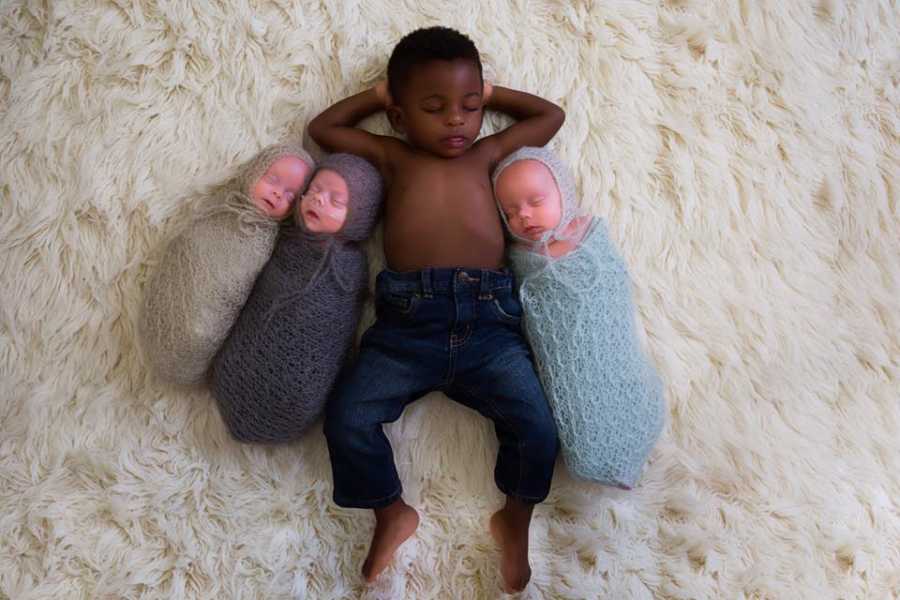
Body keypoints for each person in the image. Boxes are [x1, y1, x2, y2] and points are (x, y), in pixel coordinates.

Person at [308, 26, 565, 592]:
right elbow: (322, 130)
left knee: (539, 429)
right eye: (434, 107)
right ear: (400, 117)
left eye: (469, 107)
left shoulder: (487, 151)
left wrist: (492, 94)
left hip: (489, 324)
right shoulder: (392, 154)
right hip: (406, 326)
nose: (456, 120)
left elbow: (550, 116)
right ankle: (390, 510)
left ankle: (515, 516)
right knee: (348, 417)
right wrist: (377, 98)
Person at [493, 146, 665, 490]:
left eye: (535, 201)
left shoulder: (590, 235)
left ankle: (635, 420)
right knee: (580, 419)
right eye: (510, 211)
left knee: (616, 376)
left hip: (611, 353)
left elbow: (612, 288)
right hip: (567, 369)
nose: (524, 215)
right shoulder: (518, 259)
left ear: (564, 194)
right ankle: (594, 452)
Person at [210, 154, 383, 443]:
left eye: (335, 201)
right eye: (313, 191)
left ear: (360, 217)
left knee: (305, 374)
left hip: (297, 382)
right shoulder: (283, 239)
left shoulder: (351, 267)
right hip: (248, 354)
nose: (317, 200)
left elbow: (340, 333)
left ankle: (286, 406)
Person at [140, 143, 314, 385]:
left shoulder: (269, 241)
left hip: (206, 322)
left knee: (201, 330)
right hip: (181, 289)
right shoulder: (222, 206)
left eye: (290, 196)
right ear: (255, 171)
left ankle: (189, 350)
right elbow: (186, 243)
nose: (278, 194)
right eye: (273, 180)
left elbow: (247, 290)